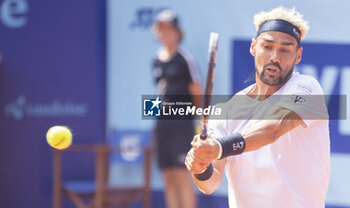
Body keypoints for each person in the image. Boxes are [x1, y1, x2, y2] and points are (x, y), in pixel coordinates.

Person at [185, 6, 330, 208]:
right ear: (253, 47)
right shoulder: (227, 110)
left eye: (285, 50)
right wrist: (201, 167)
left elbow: (274, 128)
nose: (274, 57)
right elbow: (211, 184)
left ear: (298, 55)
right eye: (267, 46)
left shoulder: (308, 88)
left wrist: (218, 148)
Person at [151, 9, 201, 208]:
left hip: (182, 126)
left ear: (177, 32)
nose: (164, 33)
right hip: (162, 127)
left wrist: (198, 120)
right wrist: (154, 122)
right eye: (160, 29)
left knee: (182, 176)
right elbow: (159, 93)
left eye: (168, 29)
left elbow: (196, 90)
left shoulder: (184, 59)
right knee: (168, 177)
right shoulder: (156, 60)